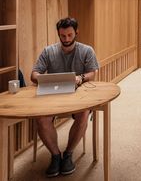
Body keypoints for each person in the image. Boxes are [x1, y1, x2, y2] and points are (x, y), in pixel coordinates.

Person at [31, 17, 99, 178]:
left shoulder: (87, 50)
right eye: (63, 36)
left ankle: (68, 154)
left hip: (78, 96)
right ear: (59, 34)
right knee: (41, 118)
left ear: (76, 32)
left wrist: (81, 78)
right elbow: (34, 74)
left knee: (83, 114)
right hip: (53, 97)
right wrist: (39, 78)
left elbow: (93, 73)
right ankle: (55, 156)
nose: (66, 39)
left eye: (69, 35)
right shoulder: (48, 51)